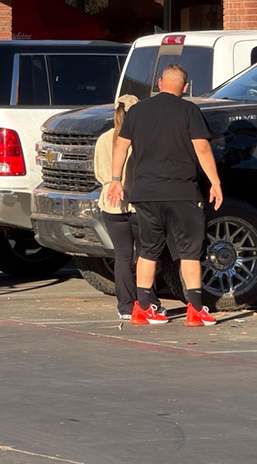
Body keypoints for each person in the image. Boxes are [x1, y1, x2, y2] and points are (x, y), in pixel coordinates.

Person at [105, 64, 222, 327]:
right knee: (190, 253)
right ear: (185, 87)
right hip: (182, 193)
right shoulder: (189, 110)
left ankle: (143, 308)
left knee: (148, 250)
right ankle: (195, 310)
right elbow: (202, 148)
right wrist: (215, 182)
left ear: (159, 82)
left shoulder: (137, 111)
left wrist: (115, 180)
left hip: (145, 193)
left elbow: (121, 146)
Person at [95, 94, 160, 320]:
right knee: (145, 255)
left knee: (122, 255)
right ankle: (149, 301)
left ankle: (124, 305)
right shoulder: (141, 139)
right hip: (137, 203)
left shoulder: (104, 139)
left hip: (110, 203)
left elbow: (98, 172)